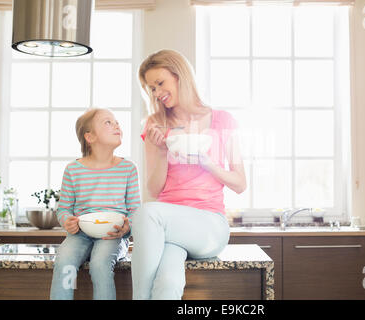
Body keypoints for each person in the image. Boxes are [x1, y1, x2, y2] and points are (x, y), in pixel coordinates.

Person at [132, 49, 247, 300]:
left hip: (209, 225)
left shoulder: (222, 120)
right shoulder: (154, 124)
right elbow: (153, 190)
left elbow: (240, 183)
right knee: (168, 282)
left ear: (179, 75)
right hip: (169, 226)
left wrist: (208, 164)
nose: (156, 92)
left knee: (147, 213)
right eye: (150, 88)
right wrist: (162, 152)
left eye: (160, 83)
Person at [50, 108, 141, 300]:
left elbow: (135, 211)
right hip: (80, 235)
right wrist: (67, 221)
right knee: (65, 263)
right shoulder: (73, 170)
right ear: (89, 137)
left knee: (100, 265)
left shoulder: (128, 169)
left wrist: (127, 227)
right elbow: (64, 208)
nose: (116, 124)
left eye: (116, 121)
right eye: (108, 122)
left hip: (112, 234)